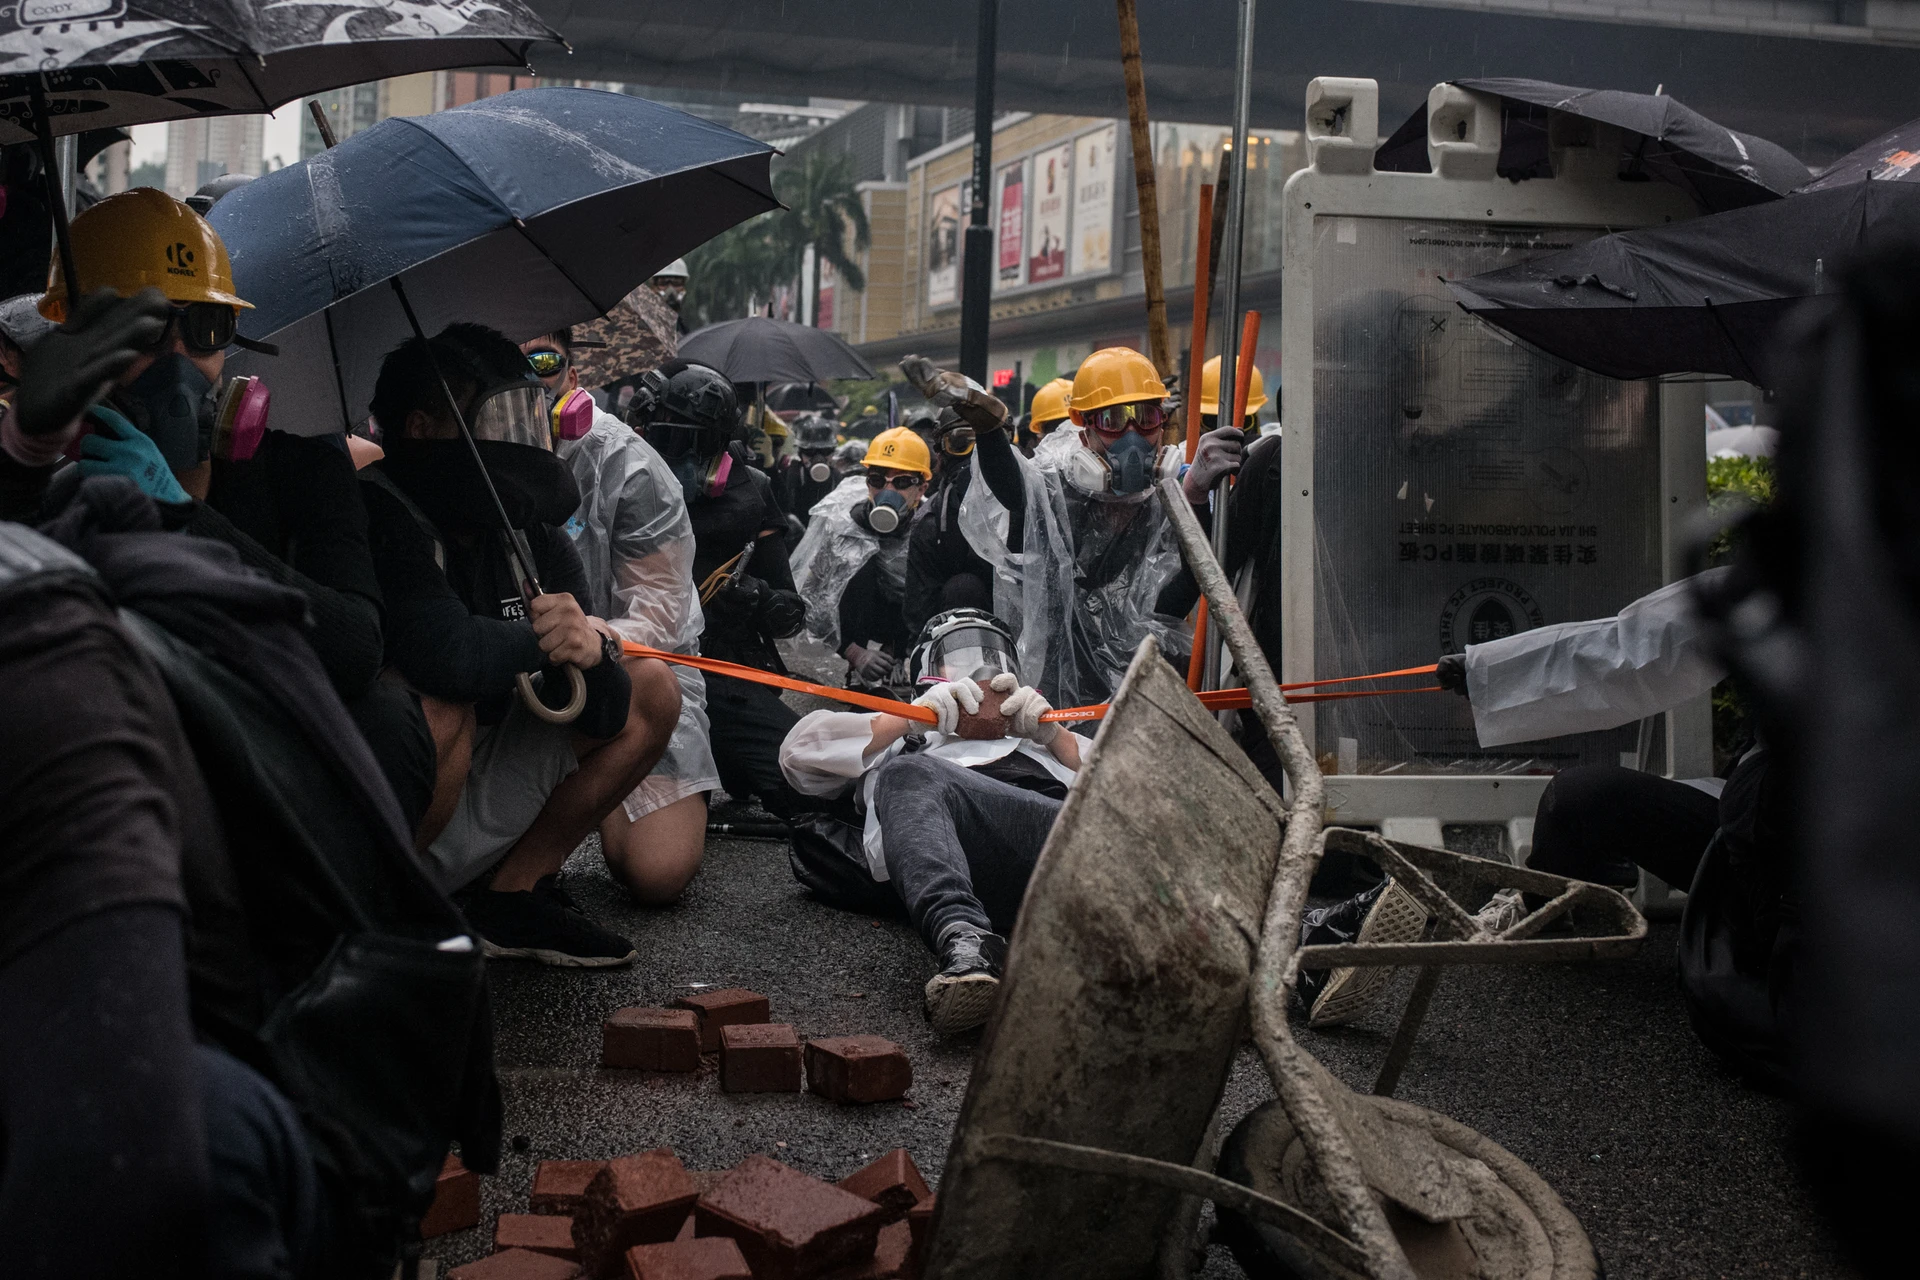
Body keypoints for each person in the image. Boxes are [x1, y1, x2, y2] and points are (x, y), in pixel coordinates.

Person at [0, 191, 442, 836]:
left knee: (389, 717)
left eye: (205, 327)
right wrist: (29, 460)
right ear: (77, 340)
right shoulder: (34, 473)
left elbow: (353, 649)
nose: (178, 362)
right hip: (100, 771)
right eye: (145, 330)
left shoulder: (302, 469)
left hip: (260, 767)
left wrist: (182, 515)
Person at [361, 322, 681, 966]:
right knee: (436, 706)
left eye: (521, 414)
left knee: (650, 686)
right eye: (492, 416)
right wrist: (545, 644)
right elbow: (443, 654)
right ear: (422, 426)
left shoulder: (524, 533)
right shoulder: (377, 509)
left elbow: (607, 710)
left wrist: (592, 653)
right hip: (391, 797)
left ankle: (510, 895)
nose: (512, 439)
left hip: (490, 761)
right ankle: (387, 918)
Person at [779, 609, 1083, 1034]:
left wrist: (1057, 737)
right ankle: (966, 943)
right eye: (954, 659)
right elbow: (797, 758)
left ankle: (973, 939)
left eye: (994, 660)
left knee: (910, 775)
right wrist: (905, 719)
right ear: (926, 671)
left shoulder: (1040, 733)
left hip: (1055, 848)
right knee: (907, 775)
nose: (979, 672)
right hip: (948, 858)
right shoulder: (908, 738)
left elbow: (1134, 798)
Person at [522, 330, 720, 905]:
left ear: (573, 373)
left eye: (541, 361)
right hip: (505, 671)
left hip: (631, 671)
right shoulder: (459, 459)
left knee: (657, 871)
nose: (528, 382)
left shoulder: (629, 467)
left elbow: (658, 617)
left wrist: (591, 635)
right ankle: (524, 864)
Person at [933, 347, 1245, 709]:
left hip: (1142, 688)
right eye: (1113, 422)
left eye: (1146, 418)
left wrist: (1192, 498)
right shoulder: (1056, 490)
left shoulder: (1170, 495)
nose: (1134, 438)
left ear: (1163, 423)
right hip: (1058, 688)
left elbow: (1176, 600)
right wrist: (989, 432)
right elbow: (1017, 490)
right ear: (1085, 431)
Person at [636, 359, 813, 819]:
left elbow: (790, 610)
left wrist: (758, 598)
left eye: (696, 443)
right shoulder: (623, 485)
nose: (682, 456)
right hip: (640, 673)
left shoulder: (750, 492)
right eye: (671, 439)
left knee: (806, 788)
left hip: (722, 672)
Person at [792, 425, 929, 691]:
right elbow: (815, 598)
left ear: (921, 488)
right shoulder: (845, 525)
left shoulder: (928, 526)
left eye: (901, 482)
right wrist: (853, 651)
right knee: (857, 563)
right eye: (877, 480)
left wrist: (901, 648)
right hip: (861, 615)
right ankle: (857, 667)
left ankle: (897, 656)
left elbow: (933, 597)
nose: (887, 491)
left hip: (902, 617)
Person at [904, 406, 995, 637]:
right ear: (940, 454)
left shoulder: (1030, 509)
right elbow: (921, 613)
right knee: (963, 589)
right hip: (957, 642)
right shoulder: (930, 524)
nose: (976, 457)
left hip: (1021, 632)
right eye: (960, 442)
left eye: (990, 443)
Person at [774, 413, 842, 526]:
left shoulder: (837, 479)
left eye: (825, 451)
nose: (818, 458)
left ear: (832, 452)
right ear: (800, 453)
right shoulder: (789, 476)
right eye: (810, 452)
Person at [649, 257, 691, 335]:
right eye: (663, 283)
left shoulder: (681, 327)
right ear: (653, 287)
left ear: (683, 287)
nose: (671, 289)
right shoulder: (643, 323)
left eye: (676, 282)